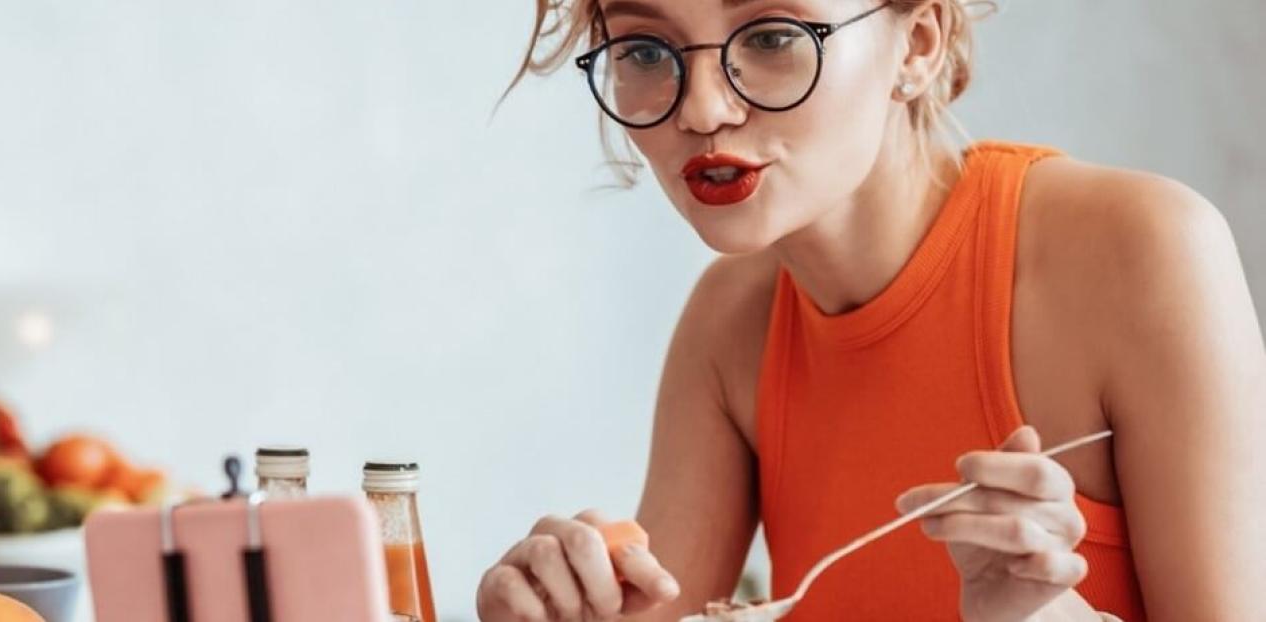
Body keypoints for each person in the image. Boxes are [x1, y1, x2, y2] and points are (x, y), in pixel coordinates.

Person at [475, 0, 1266, 620]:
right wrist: (553, 605)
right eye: (646, 51)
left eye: (774, 36)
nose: (704, 110)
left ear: (918, 45)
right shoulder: (730, 325)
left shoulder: (1141, 253)